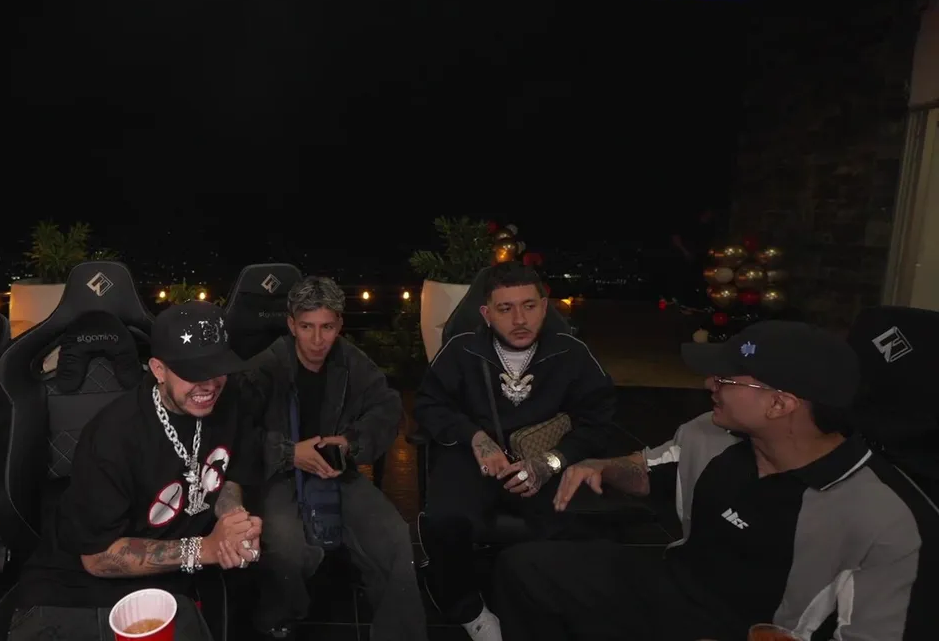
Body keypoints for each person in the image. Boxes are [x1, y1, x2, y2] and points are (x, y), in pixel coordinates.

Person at [497, 320, 938, 641]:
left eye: (726, 379)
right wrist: (605, 467)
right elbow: (651, 470)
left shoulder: (887, 520)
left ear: (779, 405)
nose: (710, 383)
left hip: (755, 631)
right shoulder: (710, 433)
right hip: (676, 587)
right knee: (529, 569)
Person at [10, 302, 265, 641]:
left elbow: (228, 477)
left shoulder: (229, 402)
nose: (209, 385)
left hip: (166, 584)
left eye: (218, 369)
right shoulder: (113, 436)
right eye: (194, 372)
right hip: (73, 592)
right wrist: (207, 548)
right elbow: (97, 558)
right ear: (158, 369)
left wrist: (234, 520)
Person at [413, 262, 617, 641]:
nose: (520, 319)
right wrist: (475, 438)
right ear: (486, 313)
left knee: (575, 529)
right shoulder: (462, 350)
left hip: (545, 461)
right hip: (473, 458)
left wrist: (550, 462)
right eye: (505, 309)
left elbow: (599, 421)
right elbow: (428, 405)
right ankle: (468, 610)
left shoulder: (571, 353)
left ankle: (544, 602)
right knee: (445, 520)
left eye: (529, 306)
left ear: (545, 306)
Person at [242, 276, 427, 640]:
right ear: (291, 324)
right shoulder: (264, 368)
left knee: (393, 538)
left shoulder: (351, 361)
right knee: (287, 548)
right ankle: (282, 616)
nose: (317, 340)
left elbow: (387, 407)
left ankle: (400, 633)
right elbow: (237, 434)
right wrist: (289, 452)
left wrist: (350, 442)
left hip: (336, 470)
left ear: (339, 324)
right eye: (307, 327)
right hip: (279, 474)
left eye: (326, 327)